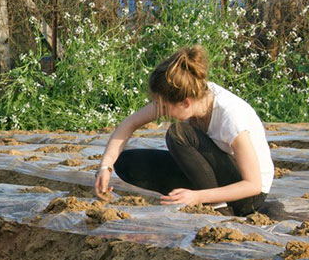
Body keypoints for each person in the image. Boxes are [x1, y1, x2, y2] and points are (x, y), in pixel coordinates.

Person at [94, 45, 274, 216]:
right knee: (126, 162)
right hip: (213, 178)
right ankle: (204, 200)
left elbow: (253, 185)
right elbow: (129, 123)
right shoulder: (190, 94)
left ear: (186, 102)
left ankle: (219, 210)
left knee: (179, 134)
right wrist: (105, 166)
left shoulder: (231, 117)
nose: (160, 111)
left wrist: (198, 197)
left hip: (246, 197)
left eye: (163, 106)